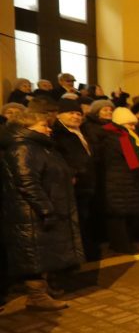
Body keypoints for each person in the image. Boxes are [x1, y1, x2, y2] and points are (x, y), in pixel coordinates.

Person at [1, 110, 84, 310]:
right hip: (31, 212)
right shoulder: (23, 148)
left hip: (42, 208)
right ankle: (36, 296)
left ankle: (42, 290)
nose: (48, 129)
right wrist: (46, 209)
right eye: (43, 125)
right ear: (26, 127)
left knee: (44, 252)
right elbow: (27, 182)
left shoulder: (40, 147)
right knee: (35, 254)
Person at [52, 98, 99, 260]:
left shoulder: (83, 132)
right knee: (78, 221)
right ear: (59, 115)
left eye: (78, 113)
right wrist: (74, 173)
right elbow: (59, 158)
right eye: (71, 113)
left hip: (89, 183)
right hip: (74, 185)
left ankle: (89, 251)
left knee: (88, 220)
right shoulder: (58, 134)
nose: (76, 116)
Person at [101, 106, 139, 255]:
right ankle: (121, 245)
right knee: (119, 216)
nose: (133, 128)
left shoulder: (124, 137)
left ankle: (125, 243)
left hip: (126, 181)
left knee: (126, 215)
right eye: (130, 124)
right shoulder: (116, 138)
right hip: (117, 181)